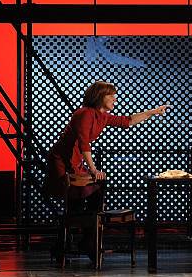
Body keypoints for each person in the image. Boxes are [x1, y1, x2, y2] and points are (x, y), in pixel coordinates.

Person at [44, 81, 168, 261]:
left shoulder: (102, 116)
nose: (114, 99)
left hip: (77, 160)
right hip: (62, 160)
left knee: (90, 196)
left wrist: (152, 112)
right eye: (111, 95)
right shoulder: (85, 113)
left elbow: (128, 121)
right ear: (99, 96)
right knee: (76, 198)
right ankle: (68, 243)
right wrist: (93, 169)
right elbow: (83, 142)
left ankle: (83, 241)